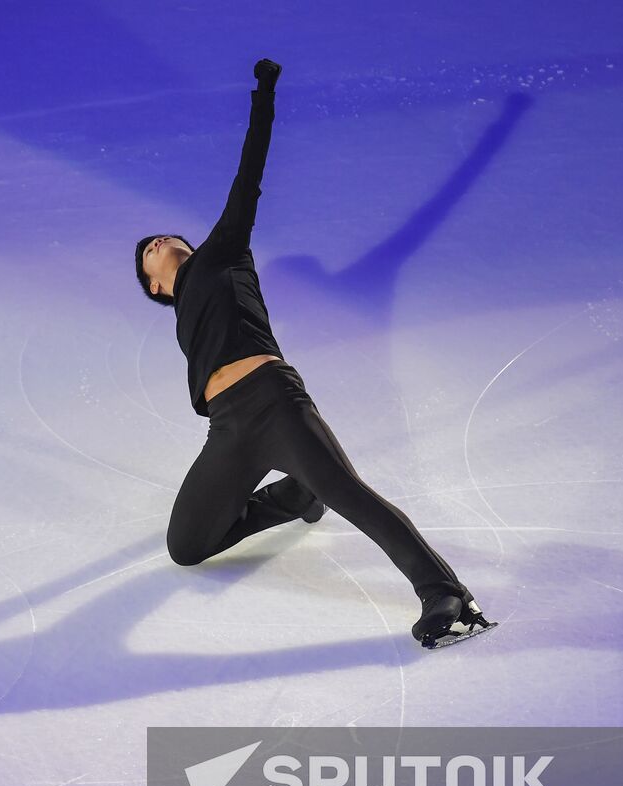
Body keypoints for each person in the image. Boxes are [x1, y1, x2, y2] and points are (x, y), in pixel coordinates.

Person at [134, 58, 493, 649]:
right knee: (187, 547)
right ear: (153, 285)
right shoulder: (183, 316)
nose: (161, 240)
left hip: (273, 401)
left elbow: (249, 173)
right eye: (150, 249)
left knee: (350, 492)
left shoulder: (220, 256)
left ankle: (442, 591)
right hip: (227, 429)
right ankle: (296, 495)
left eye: (167, 236)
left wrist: (263, 94)